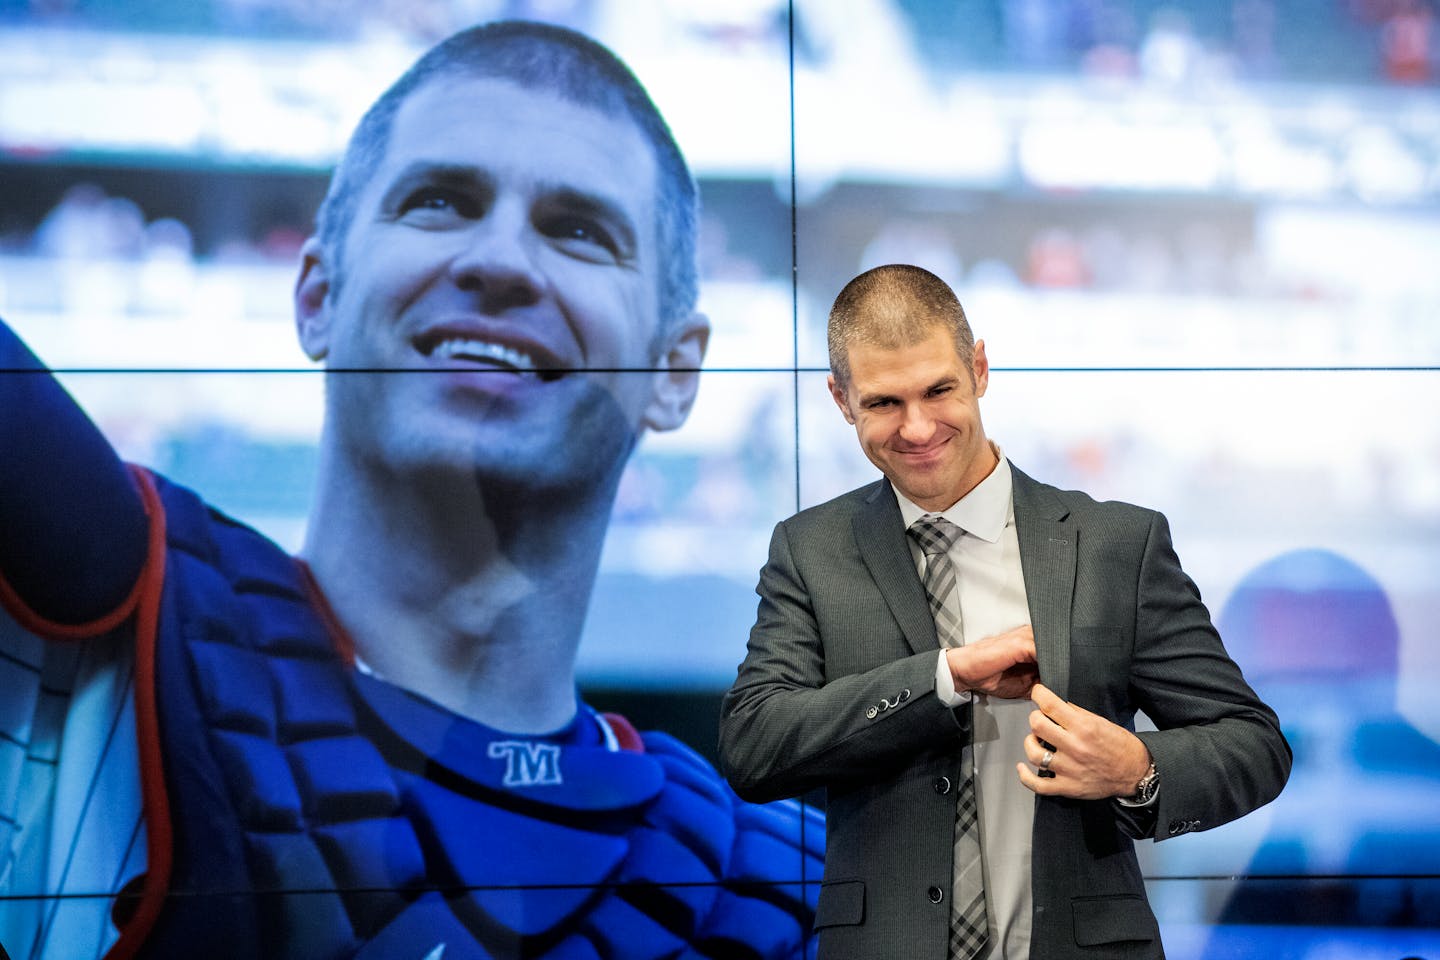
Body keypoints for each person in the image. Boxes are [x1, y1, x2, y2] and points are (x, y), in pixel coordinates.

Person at [0, 21, 821, 960]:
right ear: (317, 298)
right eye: (438, 201)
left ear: (676, 372)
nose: (502, 262)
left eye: (579, 232)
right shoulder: (90, 614)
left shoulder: (782, 901)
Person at [717, 263, 1289, 959]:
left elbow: (1254, 743)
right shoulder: (811, 551)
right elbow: (753, 745)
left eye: (939, 390)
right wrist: (945, 678)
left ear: (979, 367)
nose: (919, 427)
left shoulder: (1116, 544)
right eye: (883, 403)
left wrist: (1137, 767)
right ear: (841, 400)